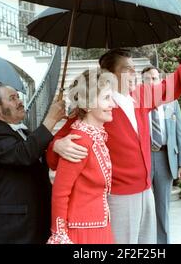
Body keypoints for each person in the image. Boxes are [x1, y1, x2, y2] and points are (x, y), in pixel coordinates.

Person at [49, 31, 181, 244]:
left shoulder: (140, 95)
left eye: (134, 68)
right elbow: (59, 146)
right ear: (108, 73)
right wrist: (57, 145)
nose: (134, 72)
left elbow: (171, 87)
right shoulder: (96, 106)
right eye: (127, 68)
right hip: (118, 197)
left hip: (146, 190)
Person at [0, 84, 65, 244]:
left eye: (18, 97)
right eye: (12, 98)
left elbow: (41, 150)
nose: (20, 101)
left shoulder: (23, 131)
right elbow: (24, 154)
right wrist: (51, 119)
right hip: (11, 227)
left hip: (35, 221)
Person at [47, 69, 116, 244]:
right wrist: (59, 234)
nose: (113, 104)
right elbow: (60, 192)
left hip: (99, 226)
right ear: (87, 105)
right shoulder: (79, 140)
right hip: (82, 233)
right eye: (107, 98)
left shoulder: (95, 135)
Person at [142, 66, 181, 244]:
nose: (151, 82)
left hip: (164, 159)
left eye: (154, 78)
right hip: (143, 158)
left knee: (162, 206)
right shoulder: (138, 102)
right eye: (147, 79)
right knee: (144, 206)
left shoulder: (170, 102)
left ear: (160, 81)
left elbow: (180, 133)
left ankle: (162, 244)